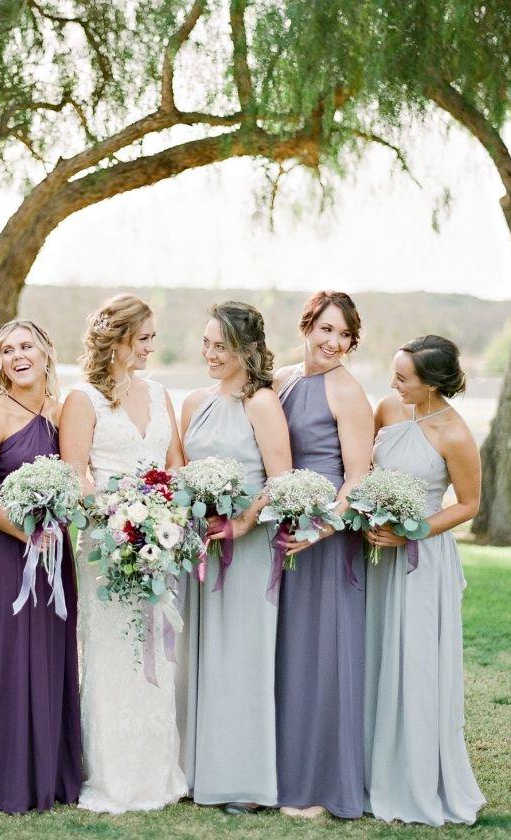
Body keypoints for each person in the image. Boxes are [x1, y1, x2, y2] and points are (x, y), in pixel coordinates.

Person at [59, 293, 188, 813]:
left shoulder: (159, 393)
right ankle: (114, 775)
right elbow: (75, 474)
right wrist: (117, 517)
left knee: (157, 646)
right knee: (114, 650)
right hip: (105, 541)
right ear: (116, 341)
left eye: (153, 338)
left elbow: (175, 462)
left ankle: (158, 772)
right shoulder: (82, 398)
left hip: (159, 536)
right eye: (145, 338)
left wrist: (163, 514)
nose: (152, 348)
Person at [0, 319, 82, 812]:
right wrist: (22, 529)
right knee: (2, 661)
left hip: (53, 557)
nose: (17, 356)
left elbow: (78, 477)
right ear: (0, 364)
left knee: (48, 657)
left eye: (26, 346)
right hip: (4, 557)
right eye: (7, 350)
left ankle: (46, 773)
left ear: (46, 352)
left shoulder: (61, 412)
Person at [364, 335, 486, 826]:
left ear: (432, 383)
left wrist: (410, 532)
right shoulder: (386, 410)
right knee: (375, 655)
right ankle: (369, 770)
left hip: (422, 560)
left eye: (403, 377)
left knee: (414, 665)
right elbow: (368, 470)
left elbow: (469, 504)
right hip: (375, 556)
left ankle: (414, 779)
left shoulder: (455, 433)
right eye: (393, 373)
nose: (394, 384)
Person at [178, 302, 292, 814]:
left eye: (219, 346)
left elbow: (281, 477)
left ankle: (242, 780)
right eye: (205, 343)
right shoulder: (194, 401)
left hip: (245, 551)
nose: (210, 354)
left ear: (247, 350)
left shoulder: (261, 403)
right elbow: (179, 467)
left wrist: (242, 521)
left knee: (240, 657)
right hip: (196, 547)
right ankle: (193, 770)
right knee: (198, 654)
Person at [273, 291, 373, 819]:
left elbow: (357, 476)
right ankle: (280, 768)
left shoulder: (347, 389)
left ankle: (319, 782)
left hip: (326, 541)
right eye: (326, 330)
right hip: (282, 531)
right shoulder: (283, 380)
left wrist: (320, 530)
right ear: (307, 326)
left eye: (344, 335)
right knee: (288, 653)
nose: (334, 343)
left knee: (323, 655)